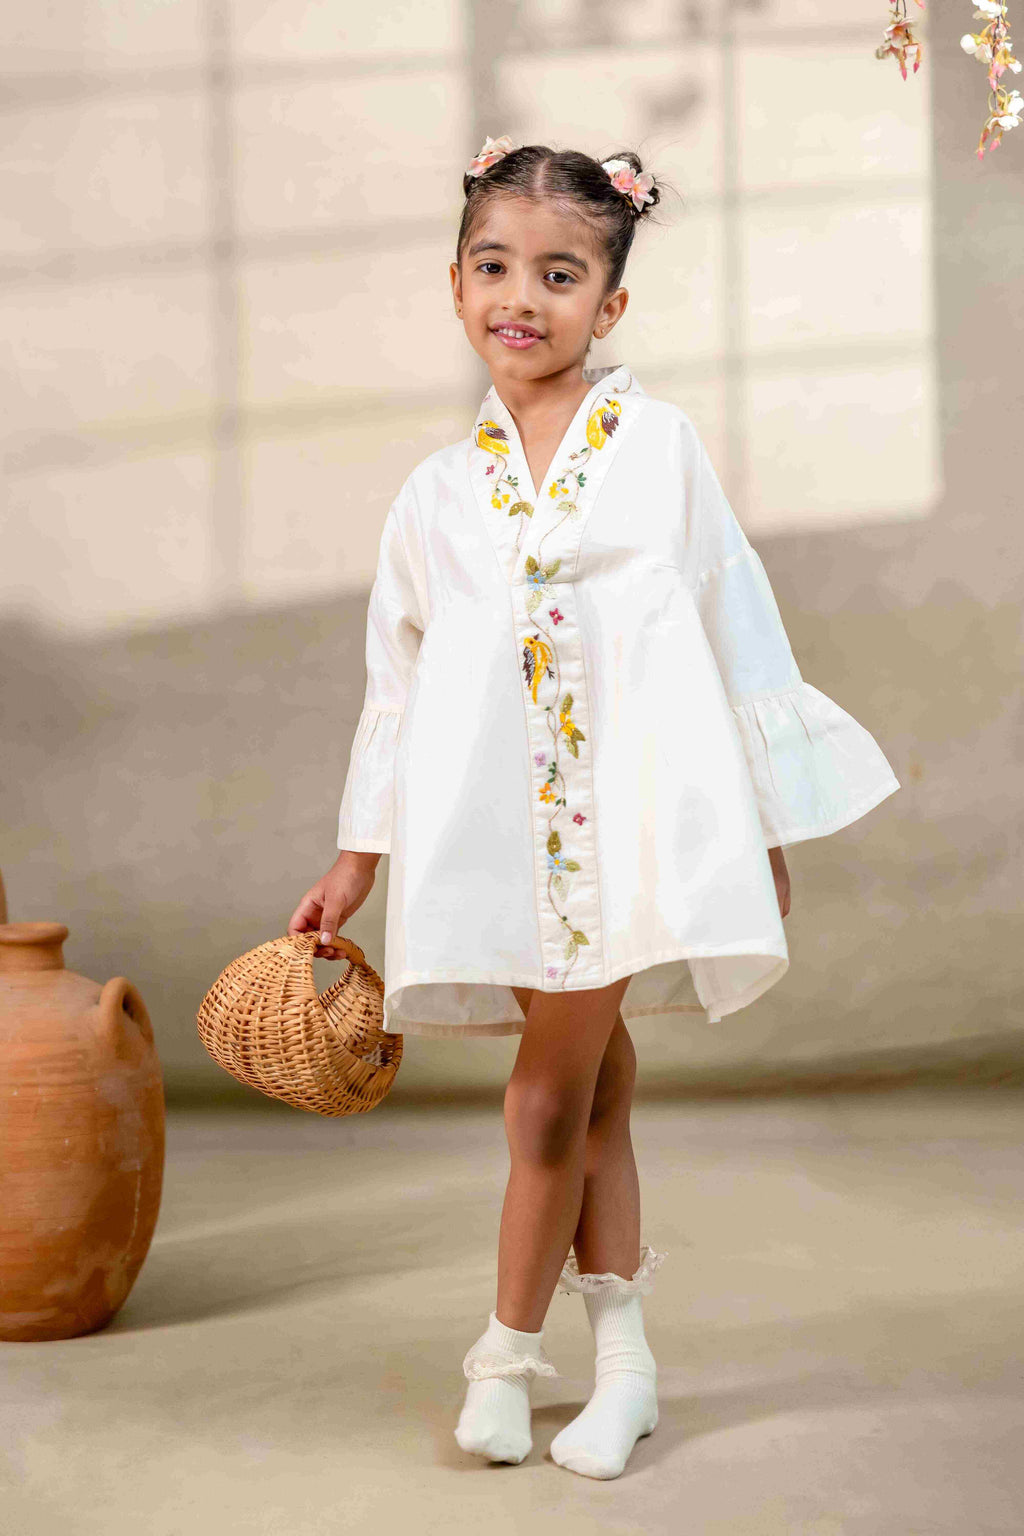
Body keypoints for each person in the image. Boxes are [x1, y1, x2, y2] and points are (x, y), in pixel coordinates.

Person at [288, 135, 900, 1479]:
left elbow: (735, 621)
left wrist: (765, 822)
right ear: (453, 285)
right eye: (496, 266)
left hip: (629, 832)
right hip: (498, 838)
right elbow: (394, 683)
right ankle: (624, 1359)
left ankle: (503, 1354)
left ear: (608, 304)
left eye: (561, 273)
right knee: (598, 1100)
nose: (524, 296)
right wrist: (358, 861)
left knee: (540, 1104)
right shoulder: (437, 498)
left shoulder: (659, 451)